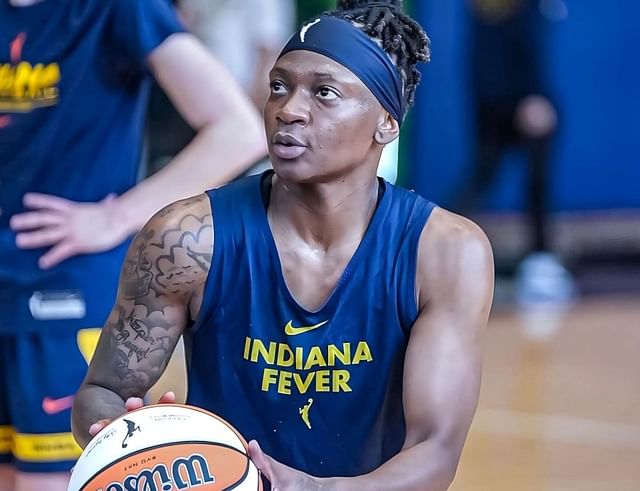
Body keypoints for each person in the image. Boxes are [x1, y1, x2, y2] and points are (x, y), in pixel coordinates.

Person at [72, 1, 495, 490]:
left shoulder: (444, 252)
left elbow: (435, 452)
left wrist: (311, 489)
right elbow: (101, 390)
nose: (288, 110)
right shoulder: (187, 239)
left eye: (325, 93)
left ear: (386, 122)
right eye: (279, 86)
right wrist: (131, 437)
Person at [0, 0, 265, 489]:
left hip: (64, 290)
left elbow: (239, 131)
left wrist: (116, 216)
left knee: (49, 480)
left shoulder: (118, 8)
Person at [461, 0, 574, 306]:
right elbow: (495, 52)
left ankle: (540, 260)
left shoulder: (535, 11)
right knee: (484, 175)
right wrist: (529, 97)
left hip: (521, 97)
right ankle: (421, 249)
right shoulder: (493, 12)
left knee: (534, 174)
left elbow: (534, 45)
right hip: (503, 101)